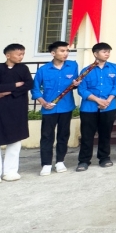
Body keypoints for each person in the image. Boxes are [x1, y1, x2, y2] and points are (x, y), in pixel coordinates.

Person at [0, 43, 33, 184]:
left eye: (23, 54)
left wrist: (6, 92)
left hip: (18, 107)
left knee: (15, 140)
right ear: (8, 55)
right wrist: (15, 85)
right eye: (18, 54)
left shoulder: (23, 69)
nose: (21, 57)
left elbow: (29, 84)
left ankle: (10, 171)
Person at [31, 40, 78, 176]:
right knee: (47, 136)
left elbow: (75, 84)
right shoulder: (43, 70)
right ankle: (46, 164)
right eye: (62, 51)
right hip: (49, 108)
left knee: (63, 135)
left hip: (66, 106)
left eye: (67, 51)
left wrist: (76, 84)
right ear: (53, 53)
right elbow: (35, 89)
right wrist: (43, 102)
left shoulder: (73, 66)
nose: (66, 53)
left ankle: (60, 161)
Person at [76, 42, 116, 171]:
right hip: (89, 108)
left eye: (108, 52)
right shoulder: (86, 70)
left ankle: (104, 158)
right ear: (95, 54)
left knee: (105, 134)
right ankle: (84, 160)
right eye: (104, 51)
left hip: (108, 107)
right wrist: (97, 100)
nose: (107, 54)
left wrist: (107, 101)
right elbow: (82, 90)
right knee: (87, 135)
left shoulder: (115, 68)